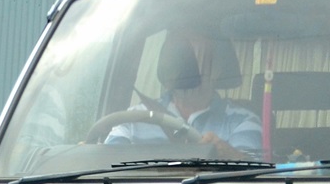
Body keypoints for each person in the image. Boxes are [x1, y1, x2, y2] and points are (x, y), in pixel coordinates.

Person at [106, 34, 262, 159]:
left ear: (217, 68)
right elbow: (106, 163)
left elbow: (253, 174)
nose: (182, 68)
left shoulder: (242, 121)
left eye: (190, 59)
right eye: (176, 58)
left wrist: (228, 155)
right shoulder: (135, 118)